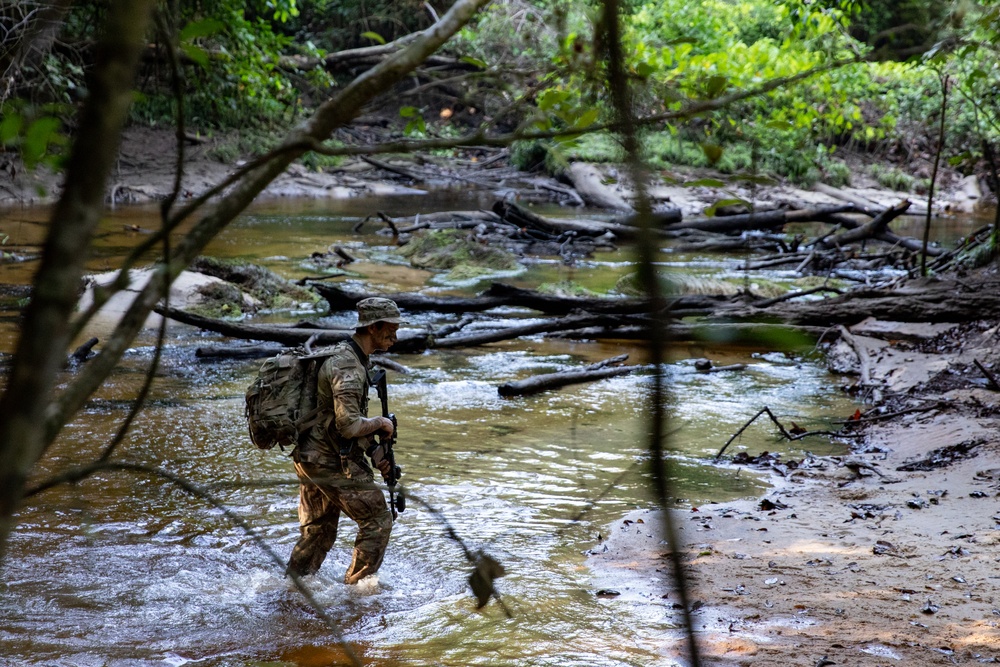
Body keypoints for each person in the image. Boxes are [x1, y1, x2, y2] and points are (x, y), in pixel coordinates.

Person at [286, 297, 401, 583]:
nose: (395, 337)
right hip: (328, 460)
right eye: (391, 329)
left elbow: (334, 421)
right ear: (373, 328)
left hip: (310, 456)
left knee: (319, 531)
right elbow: (348, 425)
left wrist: (375, 452)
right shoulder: (348, 365)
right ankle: (357, 593)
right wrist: (380, 423)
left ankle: (292, 589)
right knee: (377, 520)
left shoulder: (348, 355)